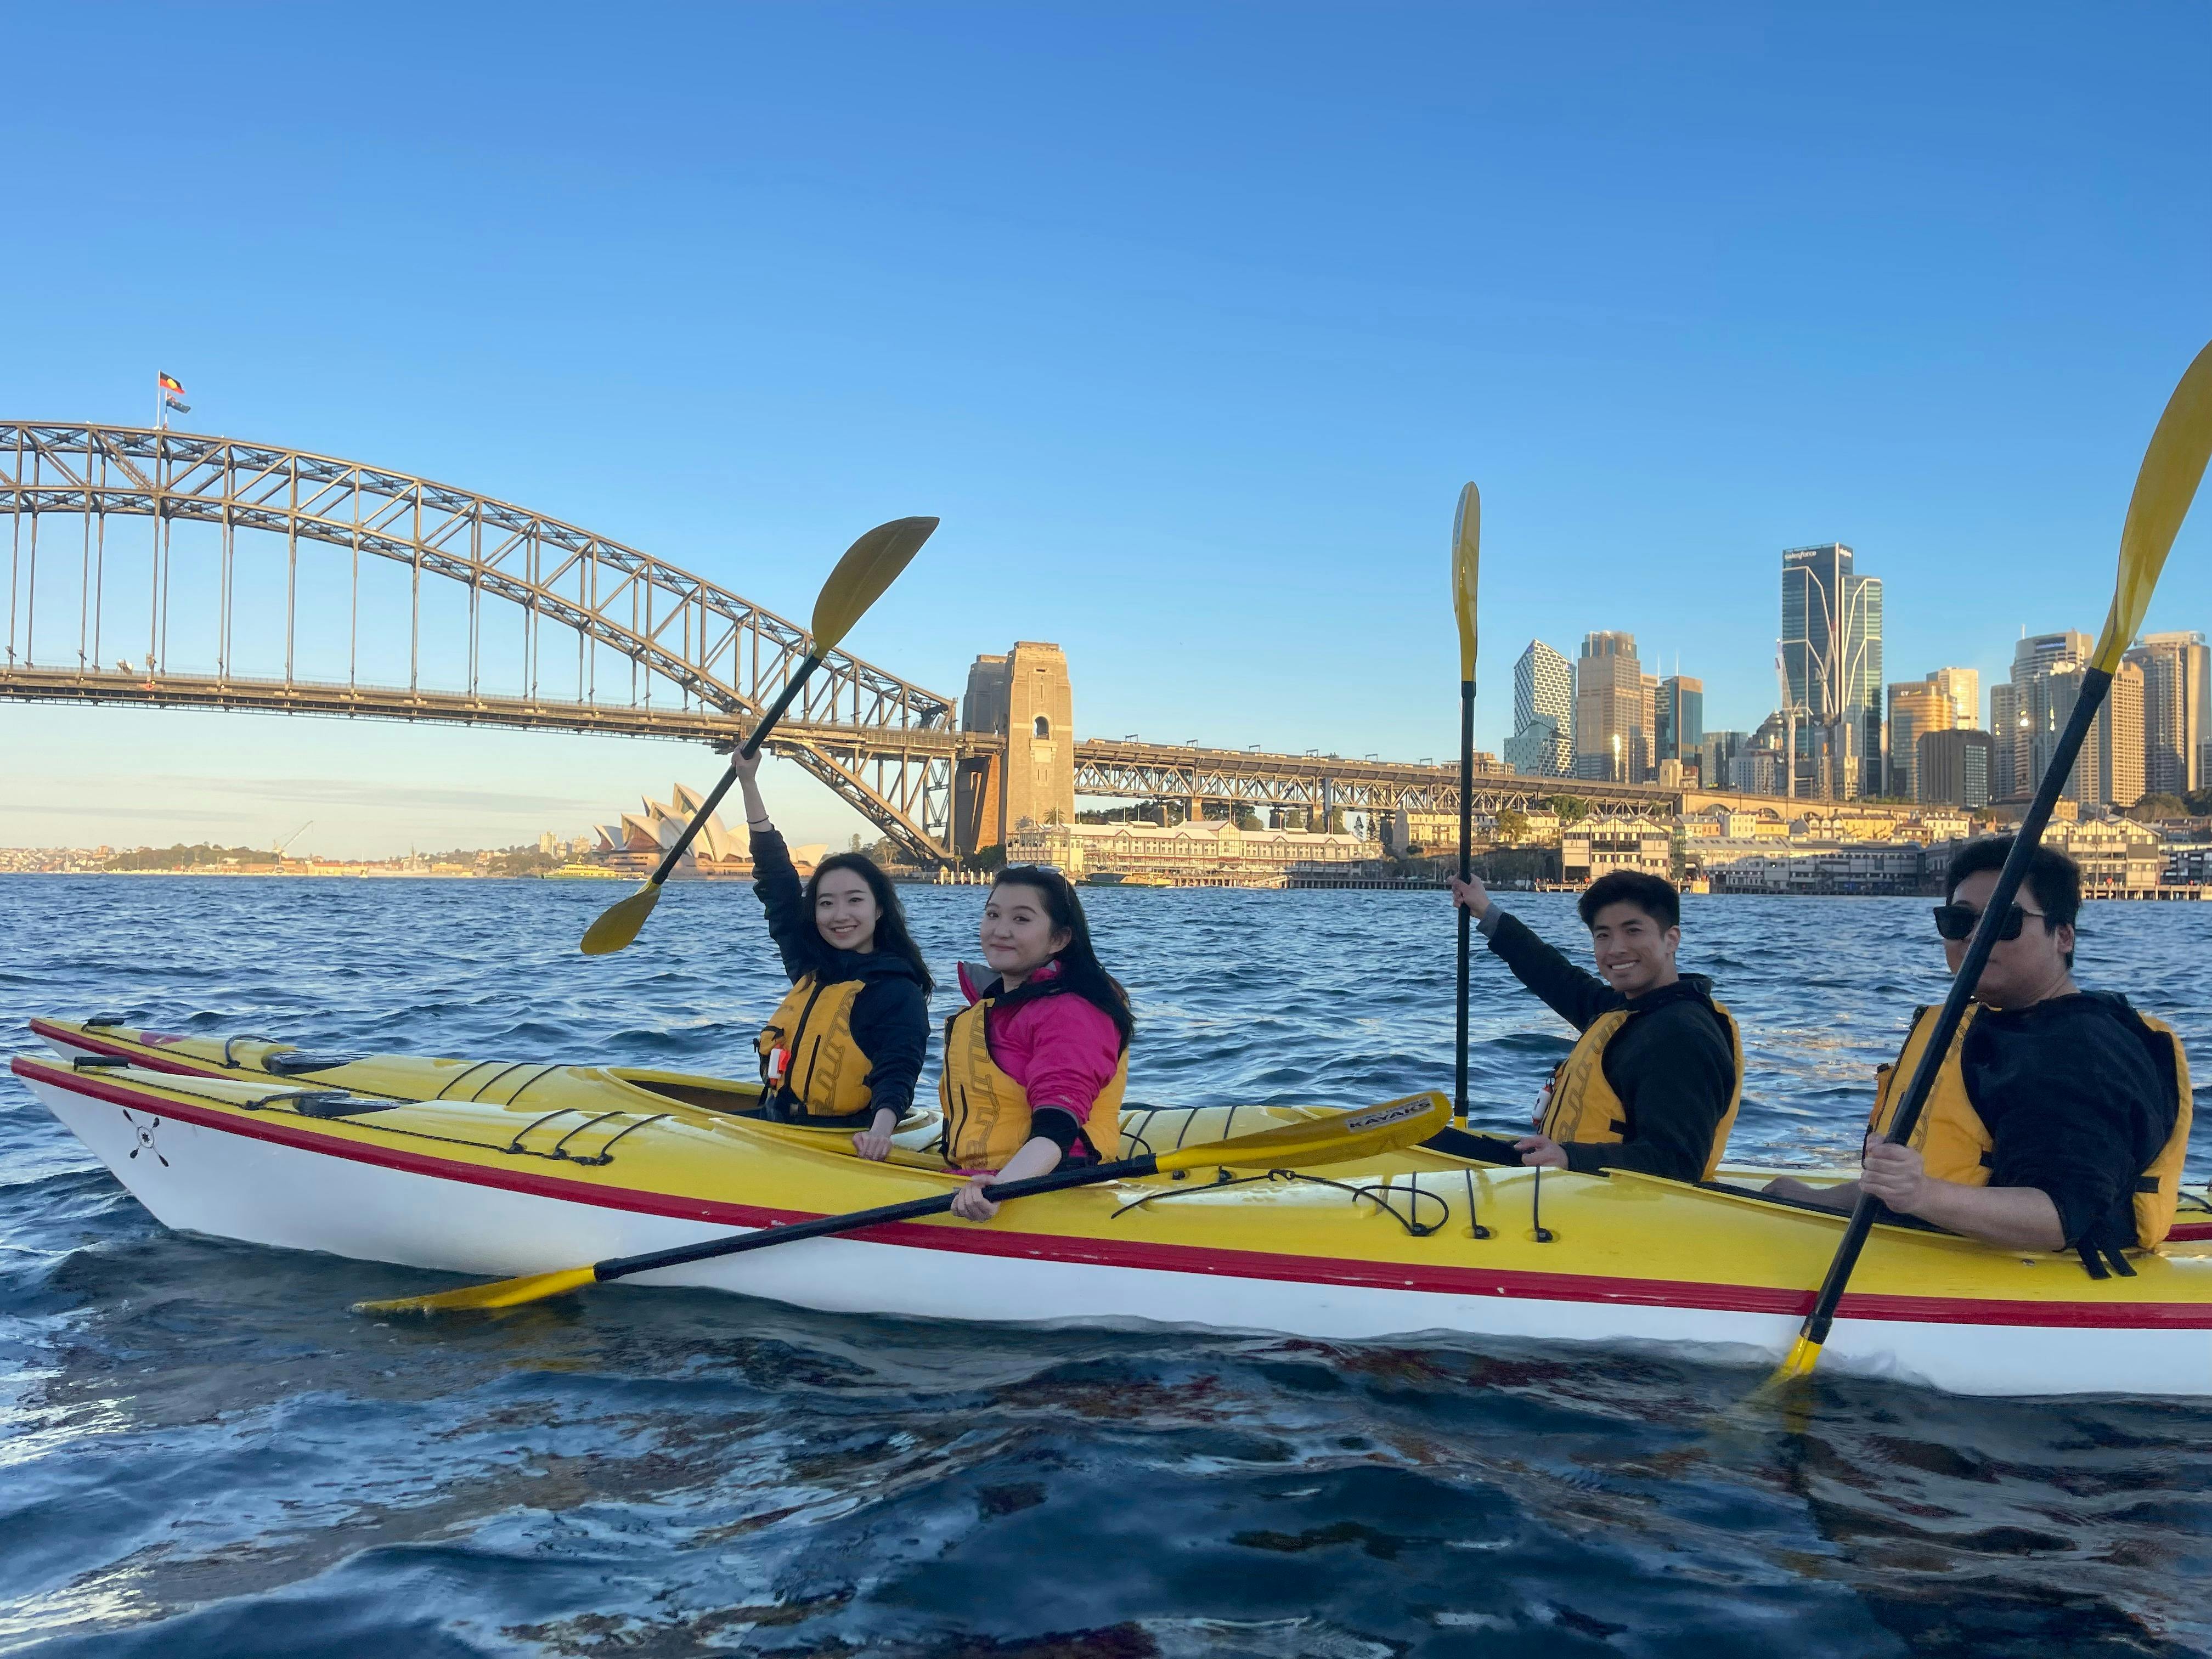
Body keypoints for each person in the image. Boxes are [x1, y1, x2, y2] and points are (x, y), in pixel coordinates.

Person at [1767, 837, 2191, 1272]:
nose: (1974, 936)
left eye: (2003, 921)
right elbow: (1915, 1189)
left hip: (2049, 1282)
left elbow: (2062, 1216)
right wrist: (1807, 1198)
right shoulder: (1998, 1027)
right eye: (1957, 920)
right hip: (1944, 1242)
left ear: (2063, 936)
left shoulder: (2081, 1050)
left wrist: (1921, 1194)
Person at [1446, 867, 1743, 1182]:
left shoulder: (1682, 1035)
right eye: (1603, 935)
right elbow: (1554, 976)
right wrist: (1485, 911)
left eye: (1633, 931)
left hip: (1614, 1205)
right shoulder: (1632, 1011)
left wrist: (1571, 1157)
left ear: (1671, 939)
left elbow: (1678, 1162)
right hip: (1576, 1181)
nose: (1616, 948)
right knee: (1424, 1137)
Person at [734, 750, 932, 1161]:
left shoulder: (897, 991)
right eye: (826, 904)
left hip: (843, 1139)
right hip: (780, 1127)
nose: (840, 916)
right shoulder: (812, 966)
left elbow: (899, 1069)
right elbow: (778, 883)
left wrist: (880, 1133)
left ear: (879, 910)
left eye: (854, 901)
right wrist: (748, 784)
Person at [943, 866, 1134, 1221]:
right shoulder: (999, 1006)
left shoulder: (1072, 1012)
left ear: (1059, 939)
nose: (1000, 931)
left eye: (1021, 919)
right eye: (993, 914)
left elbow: (1058, 1126)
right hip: (983, 1174)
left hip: (1054, 1183)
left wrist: (1000, 1191)